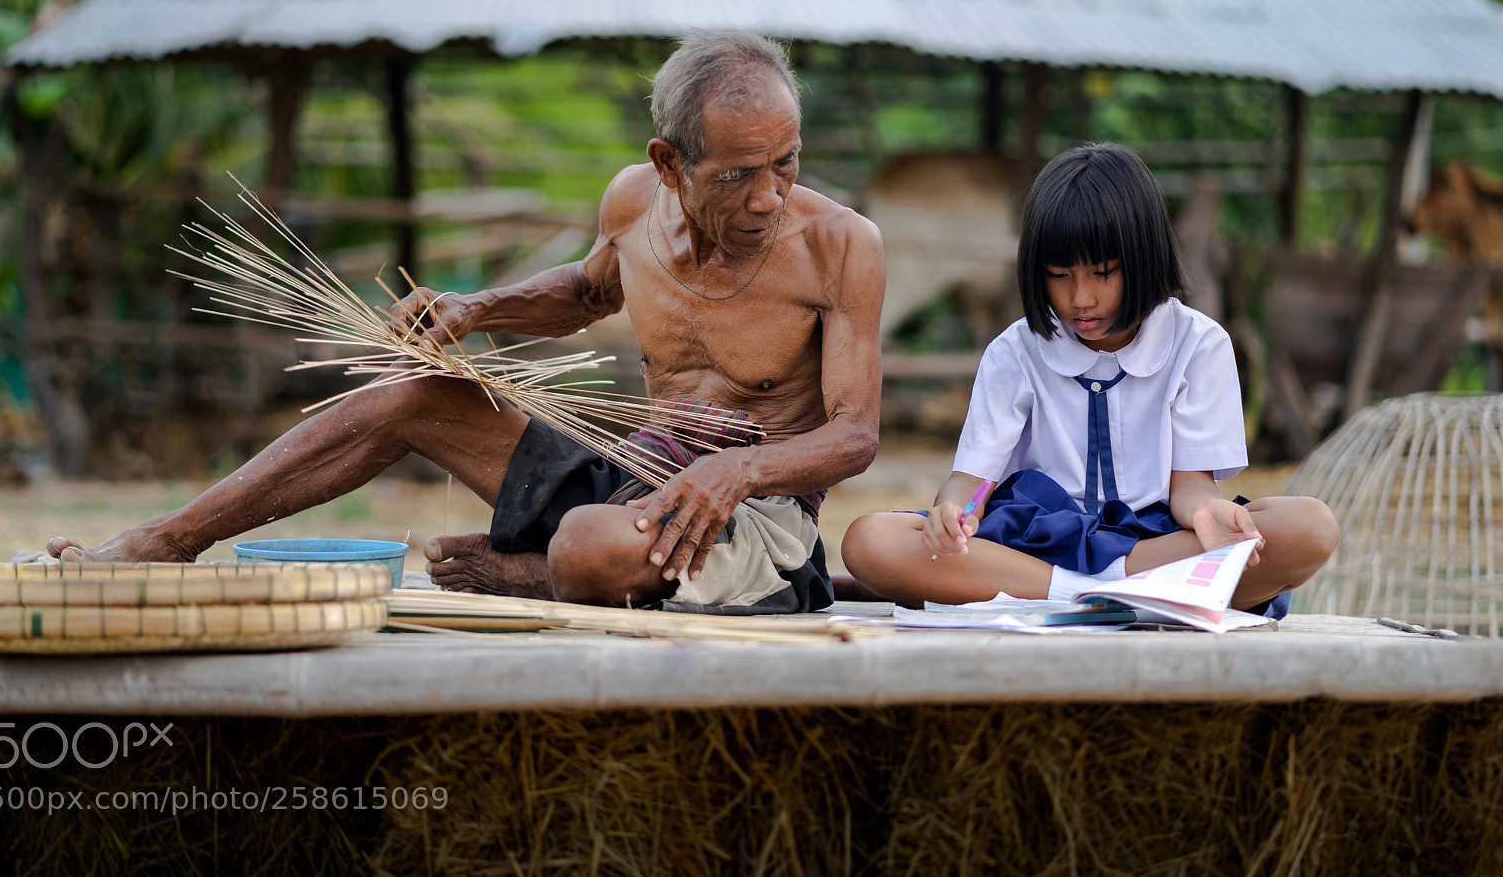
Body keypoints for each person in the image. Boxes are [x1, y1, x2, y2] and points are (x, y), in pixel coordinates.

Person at [47, 30, 885, 614]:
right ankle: (163, 541)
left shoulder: (842, 246)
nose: (771, 195)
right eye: (740, 174)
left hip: (749, 517)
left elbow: (855, 436)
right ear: (669, 164)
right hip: (631, 480)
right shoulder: (633, 203)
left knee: (589, 548)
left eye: (788, 161)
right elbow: (591, 293)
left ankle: (534, 572)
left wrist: (738, 473)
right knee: (410, 392)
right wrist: (478, 309)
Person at [841, 143, 1338, 613]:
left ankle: (1072, 590)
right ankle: (1110, 593)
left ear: (1145, 258)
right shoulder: (1014, 351)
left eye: (1102, 273)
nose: (1080, 298)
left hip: (1154, 543)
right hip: (1032, 544)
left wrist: (1207, 513)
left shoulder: (1198, 345)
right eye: (1060, 275)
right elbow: (973, 484)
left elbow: (1190, 487)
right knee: (870, 541)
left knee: (1308, 527)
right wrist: (955, 511)